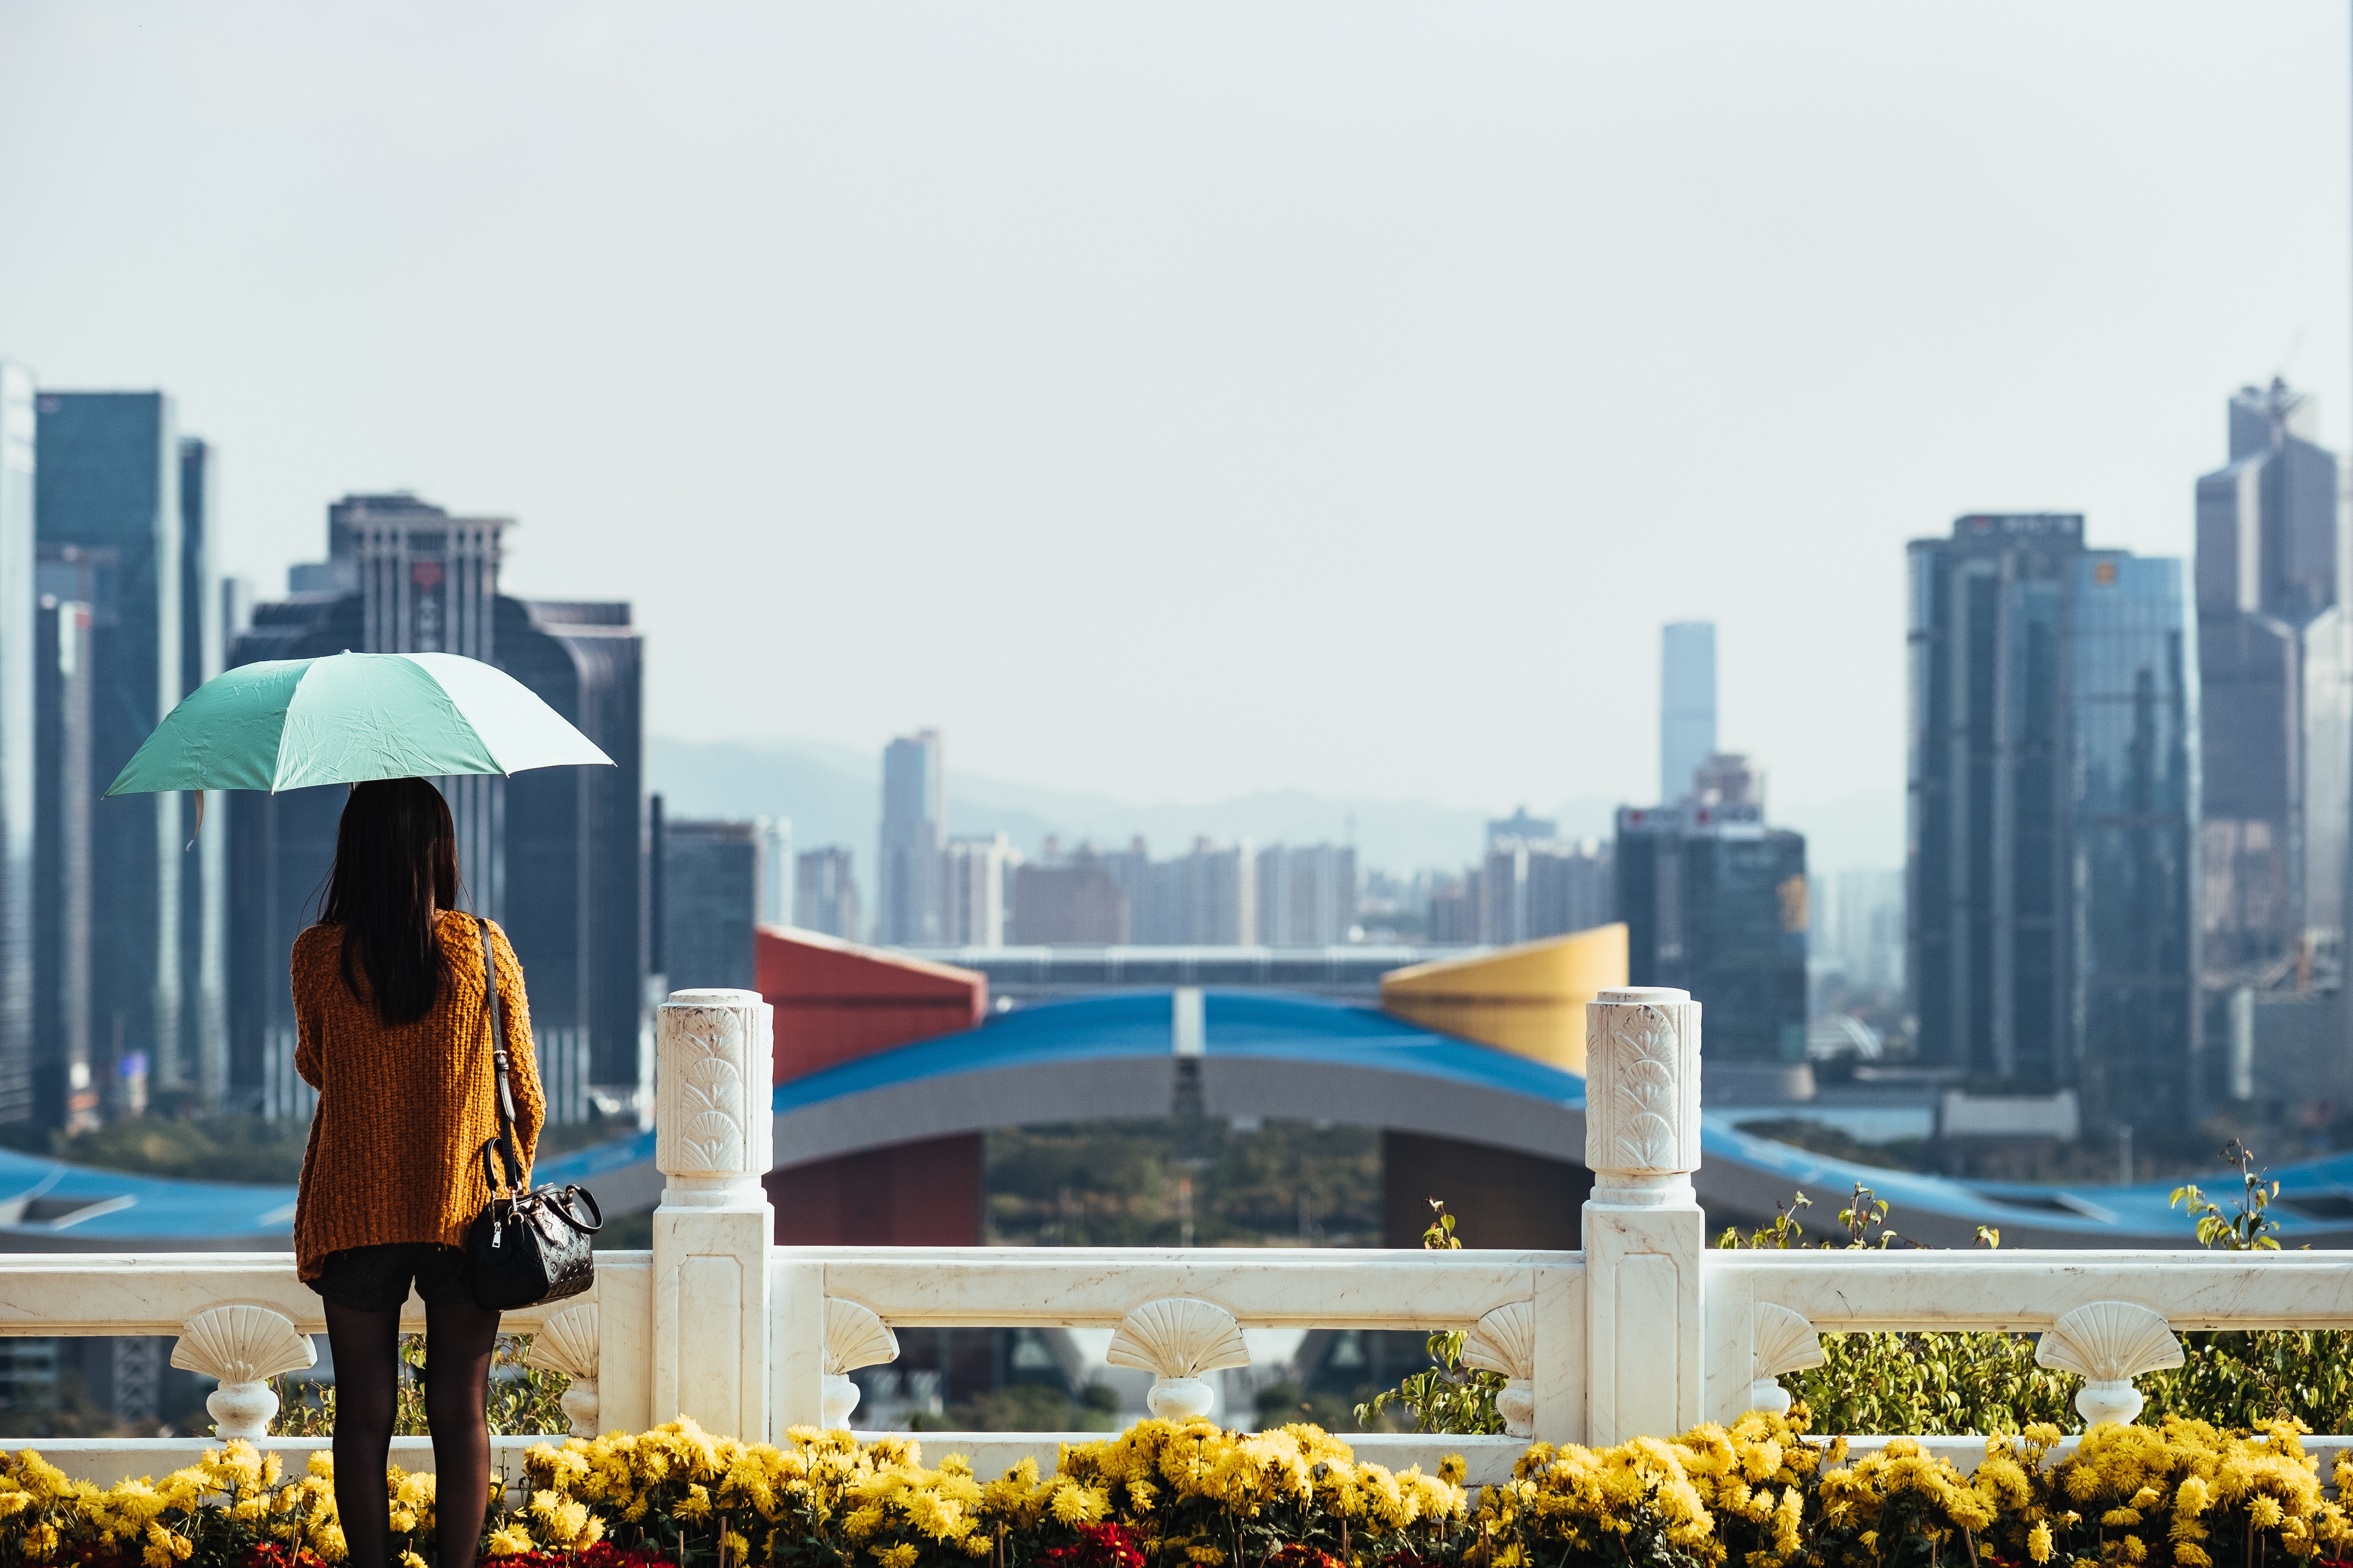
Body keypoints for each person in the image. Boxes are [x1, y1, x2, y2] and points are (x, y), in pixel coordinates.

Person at [293, 778, 545, 1568]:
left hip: (353, 1210)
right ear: (441, 851)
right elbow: (529, 1097)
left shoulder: (317, 954)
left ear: (352, 853)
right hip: (465, 1213)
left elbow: (315, 1066)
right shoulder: (483, 947)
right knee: (460, 1411)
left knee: (362, 1413)